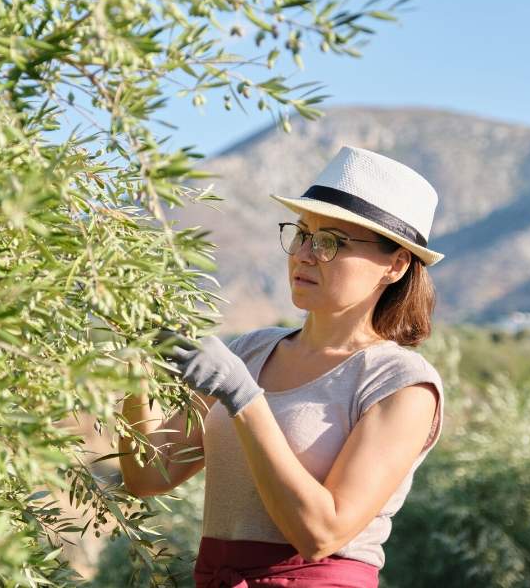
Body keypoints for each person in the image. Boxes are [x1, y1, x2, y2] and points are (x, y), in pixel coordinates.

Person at [119, 145, 446, 587]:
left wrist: (243, 397)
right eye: (302, 234)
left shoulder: (401, 384)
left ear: (395, 264)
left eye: (332, 242)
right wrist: (138, 366)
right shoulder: (251, 350)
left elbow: (321, 533)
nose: (305, 254)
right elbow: (148, 474)